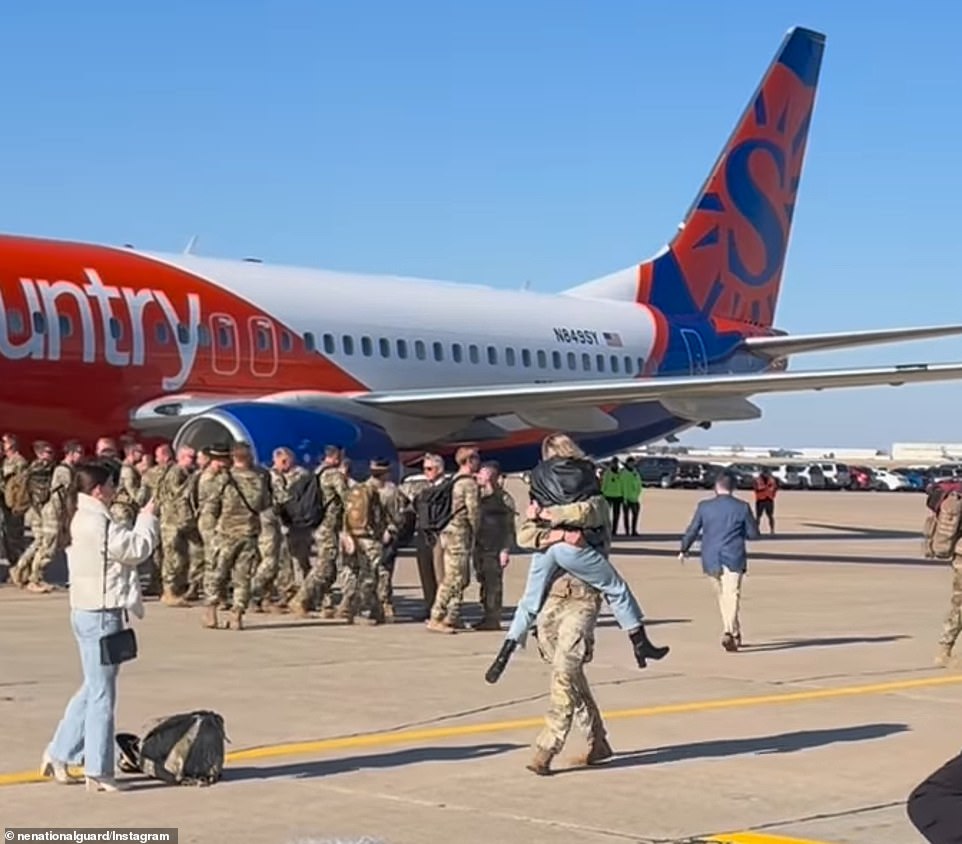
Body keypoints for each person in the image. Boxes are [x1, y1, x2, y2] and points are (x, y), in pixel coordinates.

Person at [42, 460, 159, 792]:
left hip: (86, 610)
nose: (114, 490)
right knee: (103, 694)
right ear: (97, 490)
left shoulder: (82, 517)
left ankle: (60, 752)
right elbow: (136, 550)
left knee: (93, 687)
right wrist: (147, 518)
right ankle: (98, 767)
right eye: (110, 484)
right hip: (101, 614)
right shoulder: (98, 523)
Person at [680, 471, 759, 652]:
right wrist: (741, 532)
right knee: (731, 594)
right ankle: (730, 631)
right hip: (734, 555)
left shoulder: (704, 507)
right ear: (733, 488)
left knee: (723, 596)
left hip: (710, 557)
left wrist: (684, 548)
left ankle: (732, 632)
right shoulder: (742, 507)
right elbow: (754, 534)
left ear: (716, 487)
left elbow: (692, 530)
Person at [620, 458, 643, 536]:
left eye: (633, 463)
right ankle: (627, 531)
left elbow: (639, 484)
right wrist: (624, 498)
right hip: (626, 498)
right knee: (626, 516)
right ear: (627, 463)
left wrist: (638, 493)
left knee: (635, 515)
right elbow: (623, 486)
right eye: (630, 463)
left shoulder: (635, 472)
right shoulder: (624, 473)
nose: (632, 464)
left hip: (635, 498)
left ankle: (634, 530)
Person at [600, 458, 623, 534]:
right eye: (614, 463)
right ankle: (606, 529)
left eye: (616, 463)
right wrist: (602, 493)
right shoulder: (608, 473)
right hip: (608, 495)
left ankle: (614, 530)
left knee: (616, 514)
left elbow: (623, 484)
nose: (615, 464)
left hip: (618, 495)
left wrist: (623, 494)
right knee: (606, 514)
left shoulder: (620, 473)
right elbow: (604, 484)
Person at [752, 468, 777, 535]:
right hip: (760, 499)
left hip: (769, 499)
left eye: (768, 473)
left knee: (770, 516)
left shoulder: (772, 480)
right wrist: (766, 487)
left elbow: (774, 488)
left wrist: (772, 495)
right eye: (765, 473)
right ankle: (756, 530)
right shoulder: (757, 480)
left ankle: (772, 530)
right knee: (758, 516)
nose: (767, 475)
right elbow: (757, 488)